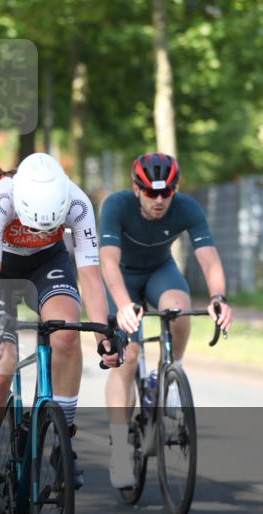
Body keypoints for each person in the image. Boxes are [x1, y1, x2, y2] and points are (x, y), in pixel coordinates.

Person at [0, 152, 115, 514]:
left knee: (66, 333)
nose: (37, 230)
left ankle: (63, 440)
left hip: (48, 264)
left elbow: (91, 276)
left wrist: (103, 335)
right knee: (1, 369)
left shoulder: (78, 203)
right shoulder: (0, 199)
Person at [98, 152, 234, 488]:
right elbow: (108, 262)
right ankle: (119, 449)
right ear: (136, 189)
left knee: (179, 309)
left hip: (160, 271)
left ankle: (169, 373)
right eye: (150, 192)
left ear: (175, 189)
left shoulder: (187, 208)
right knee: (127, 358)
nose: (159, 200)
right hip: (122, 279)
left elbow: (209, 259)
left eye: (166, 192)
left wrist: (218, 298)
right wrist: (124, 305)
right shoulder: (116, 206)